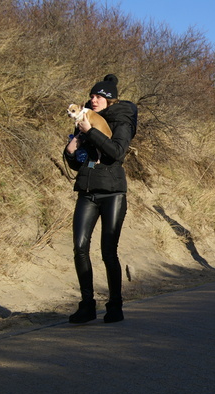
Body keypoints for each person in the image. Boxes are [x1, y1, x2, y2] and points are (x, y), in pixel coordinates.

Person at [63, 74, 138, 323]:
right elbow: (79, 161)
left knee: (108, 251)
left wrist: (90, 132)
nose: (93, 100)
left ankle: (115, 306)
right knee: (80, 247)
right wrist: (71, 151)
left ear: (109, 100)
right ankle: (86, 305)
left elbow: (116, 153)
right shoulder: (84, 119)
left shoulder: (121, 121)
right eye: (91, 96)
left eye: (98, 97)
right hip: (87, 190)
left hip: (113, 192)